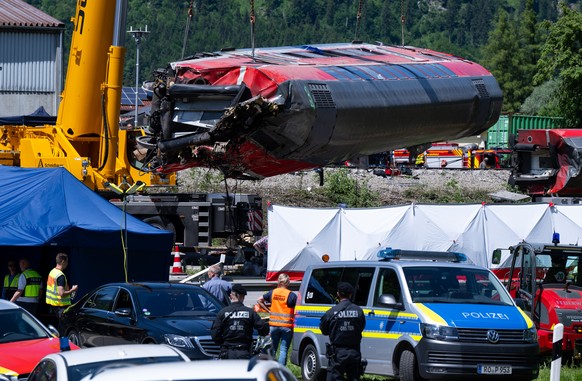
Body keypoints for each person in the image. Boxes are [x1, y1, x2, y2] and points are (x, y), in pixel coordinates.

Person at [319, 282, 366, 381]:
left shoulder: (332, 312)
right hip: (354, 352)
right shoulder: (358, 311)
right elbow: (361, 327)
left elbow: (324, 330)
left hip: (337, 354)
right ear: (351, 294)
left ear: (338, 294)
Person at [211, 283, 269, 359]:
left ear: (231, 296)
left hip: (227, 352)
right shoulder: (250, 312)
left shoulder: (222, 312)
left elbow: (215, 334)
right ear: (243, 297)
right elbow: (264, 329)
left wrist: (222, 343)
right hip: (244, 351)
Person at [257, 273, 296, 365]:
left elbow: (259, 300)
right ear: (288, 282)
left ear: (279, 281)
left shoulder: (272, 292)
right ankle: (281, 370)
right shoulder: (291, 295)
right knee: (284, 349)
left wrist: (268, 310)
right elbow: (297, 308)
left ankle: (272, 368)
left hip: (273, 325)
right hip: (287, 326)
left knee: (273, 348)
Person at [46, 253, 78, 319]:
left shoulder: (52, 272)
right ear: (63, 261)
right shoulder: (60, 276)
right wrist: (73, 290)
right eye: (67, 262)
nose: (67, 263)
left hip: (53, 305)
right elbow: (61, 293)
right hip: (60, 306)